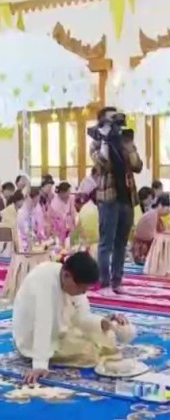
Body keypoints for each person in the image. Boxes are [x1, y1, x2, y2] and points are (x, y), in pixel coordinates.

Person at [13, 252, 129, 384]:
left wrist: (103, 323)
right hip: (33, 340)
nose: (84, 292)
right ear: (66, 275)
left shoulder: (69, 278)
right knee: (89, 352)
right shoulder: (43, 281)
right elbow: (42, 324)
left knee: (107, 337)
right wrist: (40, 364)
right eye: (82, 288)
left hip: (60, 331)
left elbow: (81, 317)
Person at [91, 118, 143, 294]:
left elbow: (137, 166)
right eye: (112, 123)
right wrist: (105, 141)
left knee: (121, 242)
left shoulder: (124, 142)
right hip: (108, 199)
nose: (117, 128)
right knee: (106, 243)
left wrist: (130, 146)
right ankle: (104, 283)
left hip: (126, 198)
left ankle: (117, 281)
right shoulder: (96, 143)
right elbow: (103, 164)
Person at [131, 194, 169, 264]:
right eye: (168, 209)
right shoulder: (152, 215)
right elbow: (153, 237)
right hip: (141, 252)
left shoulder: (156, 216)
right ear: (160, 205)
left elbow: (163, 231)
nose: (168, 212)